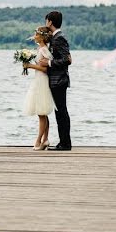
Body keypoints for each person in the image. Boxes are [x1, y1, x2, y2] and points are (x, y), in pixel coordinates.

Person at [37, 10, 72, 151]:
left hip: (59, 80)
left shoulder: (60, 38)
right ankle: (63, 142)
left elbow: (67, 60)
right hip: (56, 80)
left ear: (50, 22)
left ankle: (65, 144)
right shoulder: (55, 37)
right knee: (60, 112)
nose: (46, 23)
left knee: (61, 112)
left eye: (47, 21)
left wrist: (49, 63)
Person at [22, 26, 56, 150]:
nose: (34, 36)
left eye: (36, 34)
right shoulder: (40, 49)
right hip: (38, 81)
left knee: (42, 113)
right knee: (42, 113)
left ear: (41, 36)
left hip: (42, 81)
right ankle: (45, 140)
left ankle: (38, 140)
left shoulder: (44, 50)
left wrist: (30, 66)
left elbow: (46, 69)